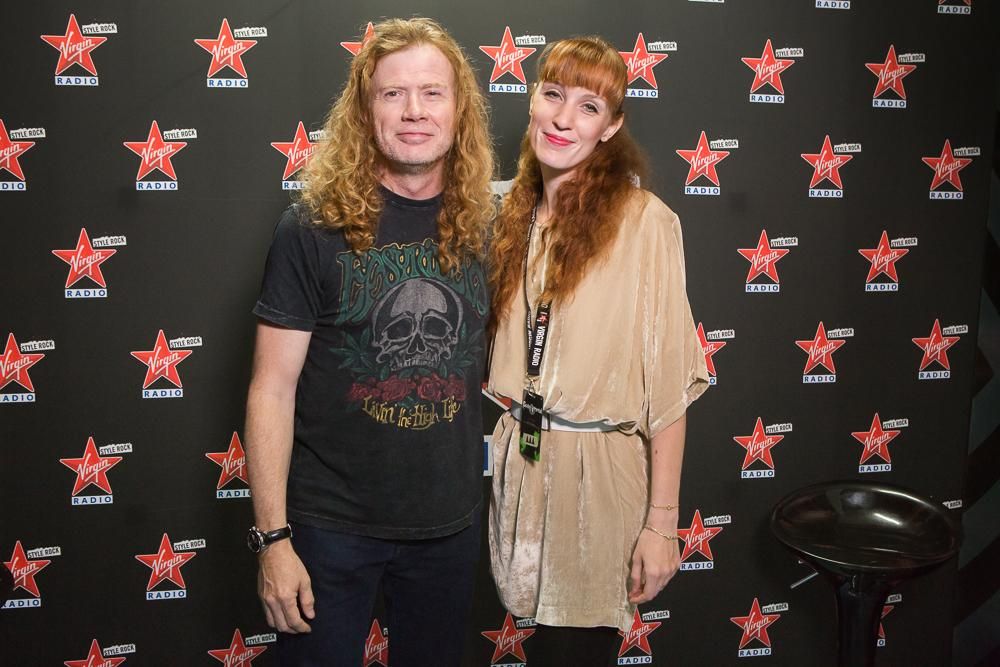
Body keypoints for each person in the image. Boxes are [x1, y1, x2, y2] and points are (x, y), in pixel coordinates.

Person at [244, 18, 494, 667]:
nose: (414, 111)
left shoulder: (488, 228)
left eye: (432, 92)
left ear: (459, 109)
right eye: (393, 93)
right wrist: (273, 539)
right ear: (364, 110)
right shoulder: (311, 228)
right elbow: (272, 388)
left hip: (449, 527)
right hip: (330, 528)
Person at [486, 36, 710, 653]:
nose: (563, 118)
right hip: (521, 465)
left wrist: (662, 525)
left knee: (576, 653)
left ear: (611, 127)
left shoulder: (645, 223)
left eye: (588, 107)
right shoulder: (504, 212)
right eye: (553, 95)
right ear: (532, 100)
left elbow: (669, 390)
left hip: (600, 482)